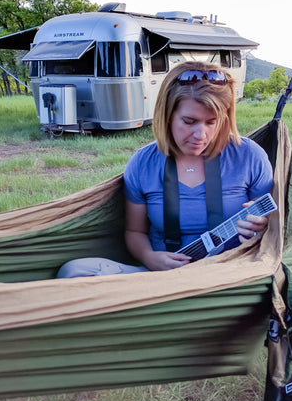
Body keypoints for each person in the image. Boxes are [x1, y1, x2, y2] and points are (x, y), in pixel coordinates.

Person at [57, 61, 274, 278]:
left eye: (211, 122)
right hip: (161, 279)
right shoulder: (143, 163)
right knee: (73, 271)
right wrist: (150, 258)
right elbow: (135, 232)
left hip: (230, 276)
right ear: (167, 115)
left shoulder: (249, 156)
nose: (201, 134)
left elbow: (273, 231)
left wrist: (261, 227)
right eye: (189, 121)